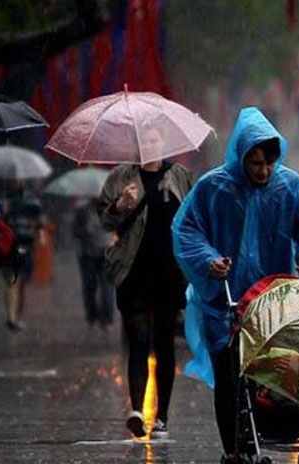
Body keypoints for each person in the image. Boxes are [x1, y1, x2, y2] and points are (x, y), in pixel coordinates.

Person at [171, 106, 299, 463]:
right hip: (226, 302)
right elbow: (186, 229)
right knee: (228, 375)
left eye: (268, 163)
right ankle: (235, 448)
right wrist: (209, 260)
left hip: (274, 298)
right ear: (241, 156)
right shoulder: (214, 187)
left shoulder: (290, 186)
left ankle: (264, 432)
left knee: (275, 372)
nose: (263, 171)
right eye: (255, 163)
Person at [97, 125, 193, 440]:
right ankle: (137, 410)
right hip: (132, 271)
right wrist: (120, 206)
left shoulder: (178, 176)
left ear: (163, 142)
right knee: (138, 339)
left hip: (168, 273)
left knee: (164, 343)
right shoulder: (120, 177)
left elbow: (193, 216)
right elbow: (104, 219)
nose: (148, 146)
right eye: (142, 141)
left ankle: (162, 416)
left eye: (153, 139)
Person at [0, 179, 43, 331]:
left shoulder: (31, 199)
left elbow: (38, 220)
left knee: (23, 282)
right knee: (12, 280)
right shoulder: (4, 200)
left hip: (26, 244)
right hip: (10, 245)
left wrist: (37, 231)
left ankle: (17, 316)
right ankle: (11, 317)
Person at [72, 197, 114, 331]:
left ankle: (106, 319)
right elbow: (75, 231)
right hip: (87, 254)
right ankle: (92, 317)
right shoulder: (82, 211)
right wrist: (85, 230)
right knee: (89, 287)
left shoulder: (112, 209)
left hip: (106, 254)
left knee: (107, 289)